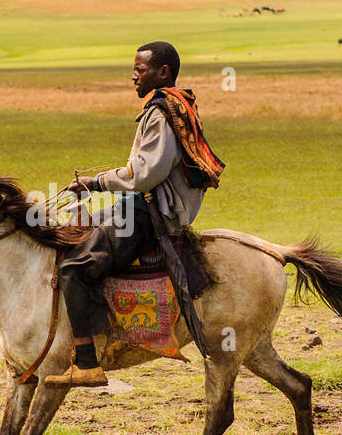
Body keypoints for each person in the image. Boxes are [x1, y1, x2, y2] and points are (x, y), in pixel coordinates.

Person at [45, 41, 224, 387]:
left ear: (163, 73)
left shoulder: (161, 111)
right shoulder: (175, 105)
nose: (133, 76)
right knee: (74, 228)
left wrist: (97, 182)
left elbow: (146, 174)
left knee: (75, 266)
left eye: (140, 70)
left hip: (149, 215)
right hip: (139, 206)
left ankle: (86, 362)